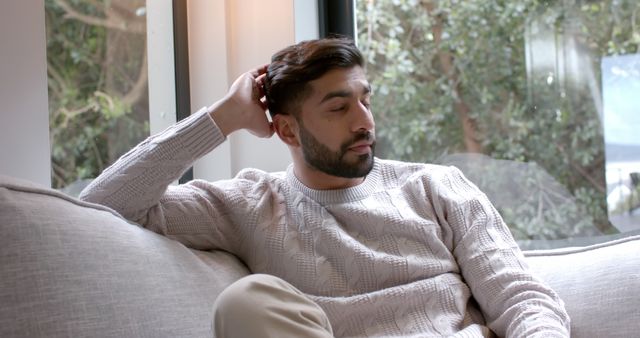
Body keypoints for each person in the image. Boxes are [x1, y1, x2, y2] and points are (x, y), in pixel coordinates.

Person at [80, 37, 570, 338]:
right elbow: (101, 204)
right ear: (288, 130)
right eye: (339, 108)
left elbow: (522, 300)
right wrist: (223, 117)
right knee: (246, 302)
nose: (364, 122)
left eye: (365, 101)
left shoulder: (437, 187)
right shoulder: (252, 204)